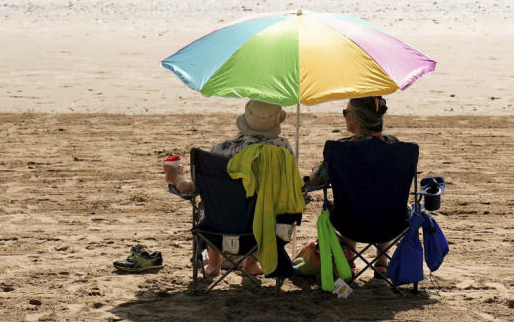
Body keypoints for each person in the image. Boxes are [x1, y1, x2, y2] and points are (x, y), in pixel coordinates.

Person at [163, 99, 292, 277]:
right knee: (266, 205)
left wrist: (177, 178)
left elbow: (193, 189)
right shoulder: (283, 150)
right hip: (261, 230)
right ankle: (251, 263)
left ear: (246, 121)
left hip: (218, 228)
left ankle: (214, 265)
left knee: (213, 202)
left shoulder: (219, 150)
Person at [309, 95, 397, 276]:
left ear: (356, 117)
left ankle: (348, 261)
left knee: (350, 202)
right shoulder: (397, 147)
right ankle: (382, 262)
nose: (344, 117)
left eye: (345, 112)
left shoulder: (341, 149)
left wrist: (316, 169)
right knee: (383, 201)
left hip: (349, 221)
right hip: (392, 221)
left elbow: (317, 180)